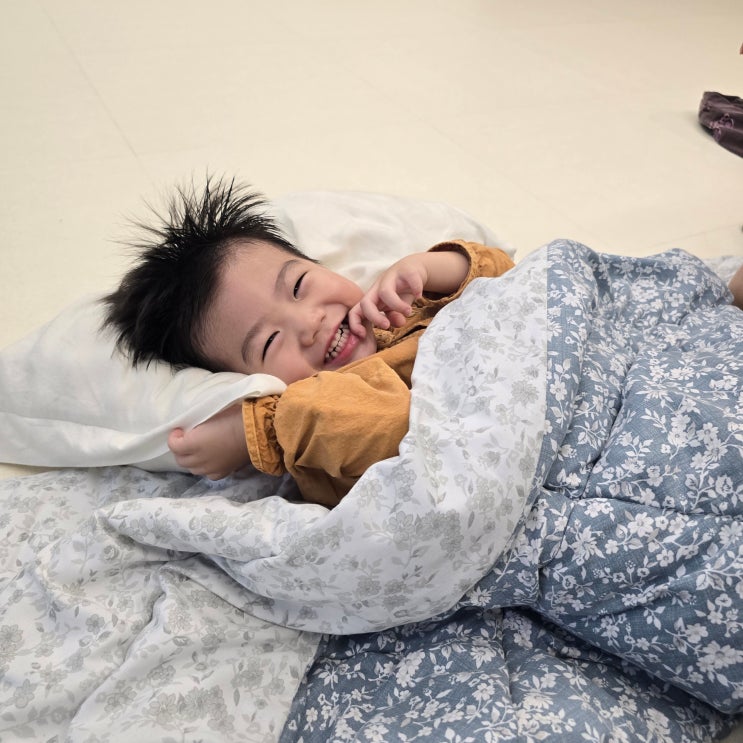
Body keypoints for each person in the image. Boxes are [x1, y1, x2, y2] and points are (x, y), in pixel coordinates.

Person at [103, 177, 515, 506]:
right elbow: (397, 432)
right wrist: (257, 433)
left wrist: (431, 268)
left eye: (299, 285)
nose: (309, 324)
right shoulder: (315, 427)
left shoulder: (401, 307)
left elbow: (506, 277)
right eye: (269, 342)